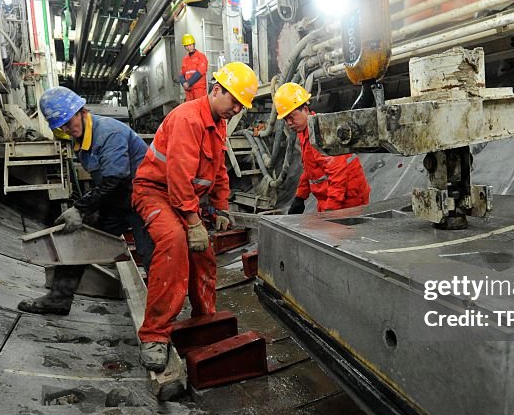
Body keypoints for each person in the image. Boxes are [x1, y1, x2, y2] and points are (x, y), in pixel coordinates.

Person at [132, 62, 258, 371]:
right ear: (217, 90)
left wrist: (221, 207)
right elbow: (177, 177)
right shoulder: (188, 119)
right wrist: (192, 222)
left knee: (204, 255)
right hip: (155, 191)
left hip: (184, 197)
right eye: (234, 101)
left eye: (242, 104)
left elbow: (217, 171)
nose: (237, 109)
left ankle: (205, 320)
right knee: (175, 243)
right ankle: (155, 335)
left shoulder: (219, 122)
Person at [19, 86, 153, 315]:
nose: (68, 130)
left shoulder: (109, 132)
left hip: (145, 200)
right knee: (78, 239)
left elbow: (115, 180)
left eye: (69, 123)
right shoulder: (82, 140)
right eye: (62, 126)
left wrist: (80, 208)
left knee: (152, 252)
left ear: (82, 111)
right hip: (117, 201)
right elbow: (107, 186)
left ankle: (161, 311)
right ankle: (58, 299)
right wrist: (85, 213)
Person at [273, 82, 371, 214]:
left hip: (349, 199)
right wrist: (300, 197)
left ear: (306, 110)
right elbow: (310, 169)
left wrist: (330, 211)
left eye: (291, 117)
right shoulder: (304, 132)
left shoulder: (323, 132)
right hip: (328, 196)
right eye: (285, 119)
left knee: (340, 233)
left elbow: (338, 175)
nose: (289, 123)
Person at [178, 33, 208, 102]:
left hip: (199, 89)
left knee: (201, 107)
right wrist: (184, 83)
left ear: (194, 44)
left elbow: (200, 72)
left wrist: (188, 83)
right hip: (189, 91)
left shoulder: (201, 56)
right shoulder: (185, 59)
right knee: (191, 110)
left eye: (190, 45)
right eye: (187, 46)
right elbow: (182, 74)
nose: (189, 47)